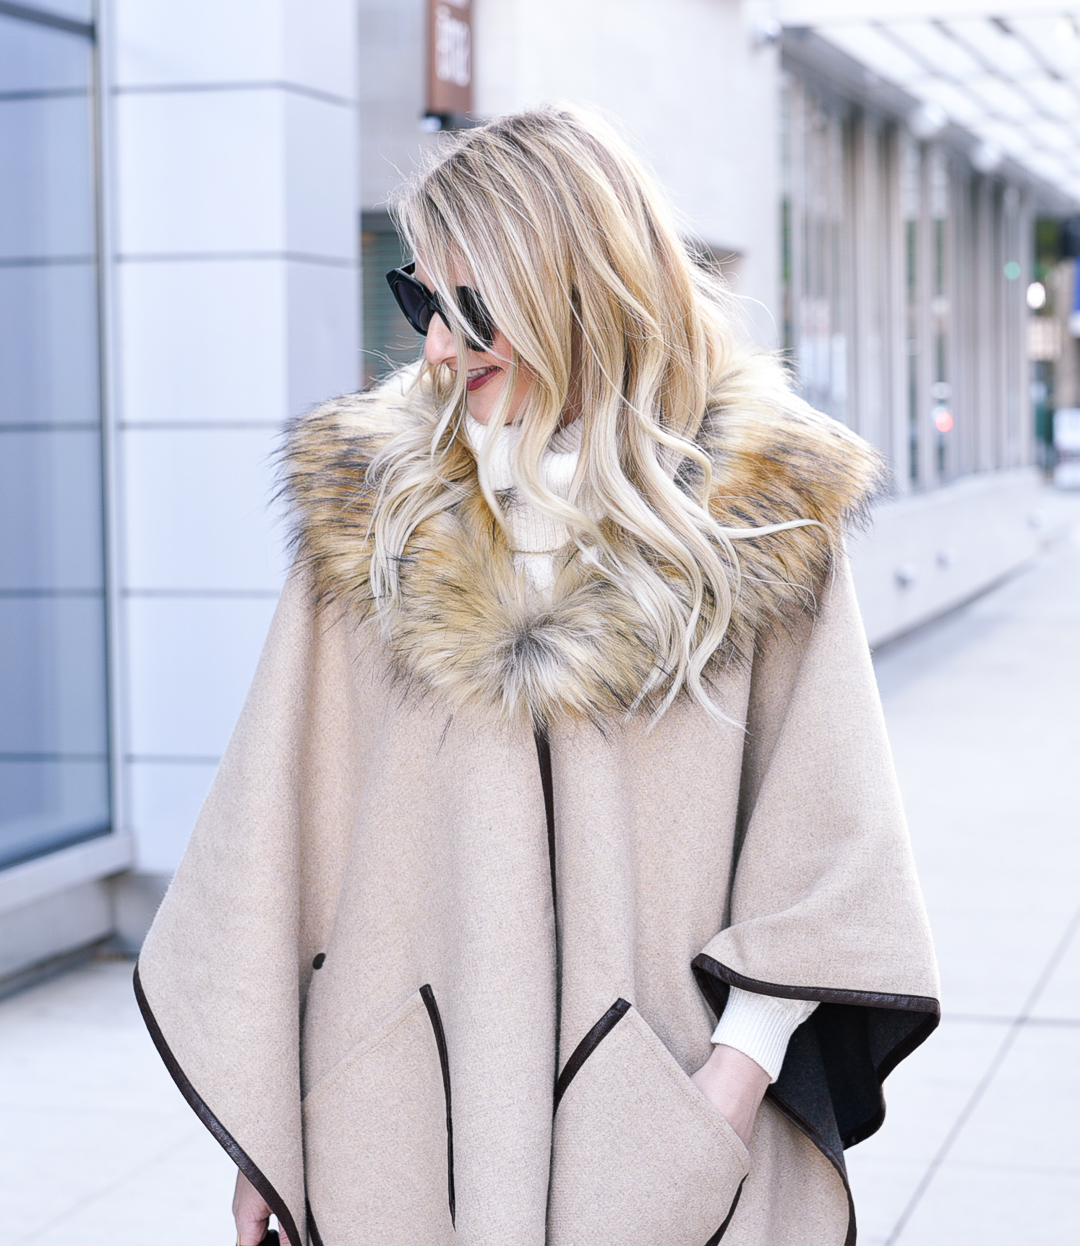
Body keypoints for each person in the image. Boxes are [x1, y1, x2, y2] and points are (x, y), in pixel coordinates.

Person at [135, 105, 939, 1246]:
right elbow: (274, 834)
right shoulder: (373, 515)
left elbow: (830, 839)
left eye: (471, 310)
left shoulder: (760, 519)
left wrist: (731, 1079)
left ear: (581, 286)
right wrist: (269, 1129)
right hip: (396, 1110)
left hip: (658, 1118)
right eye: (421, 302)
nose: (435, 348)